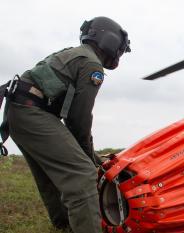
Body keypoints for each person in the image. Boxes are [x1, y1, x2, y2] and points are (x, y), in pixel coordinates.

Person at [1, 17, 130, 233]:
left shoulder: (75, 53)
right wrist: (92, 160)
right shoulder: (91, 64)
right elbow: (78, 120)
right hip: (33, 112)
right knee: (82, 174)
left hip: (18, 111)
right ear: (110, 41)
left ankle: (65, 226)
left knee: (49, 176)